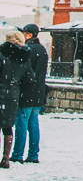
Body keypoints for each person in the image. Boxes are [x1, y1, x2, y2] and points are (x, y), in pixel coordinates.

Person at [10, 23, 48, 164]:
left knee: (21, 124)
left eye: (24, 33)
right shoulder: (42, 50)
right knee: (33, 125)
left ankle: (17, 154)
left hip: (26, 93)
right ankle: (33, 155)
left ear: (29, 35)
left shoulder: (27, 50)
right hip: (38, 93)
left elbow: (23, 73)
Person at [0, 31, 34, 169]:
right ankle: (5, 158)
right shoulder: (24, 57)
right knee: (7, 127)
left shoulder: (2, 54)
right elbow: (30, 78)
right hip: (12, 94)